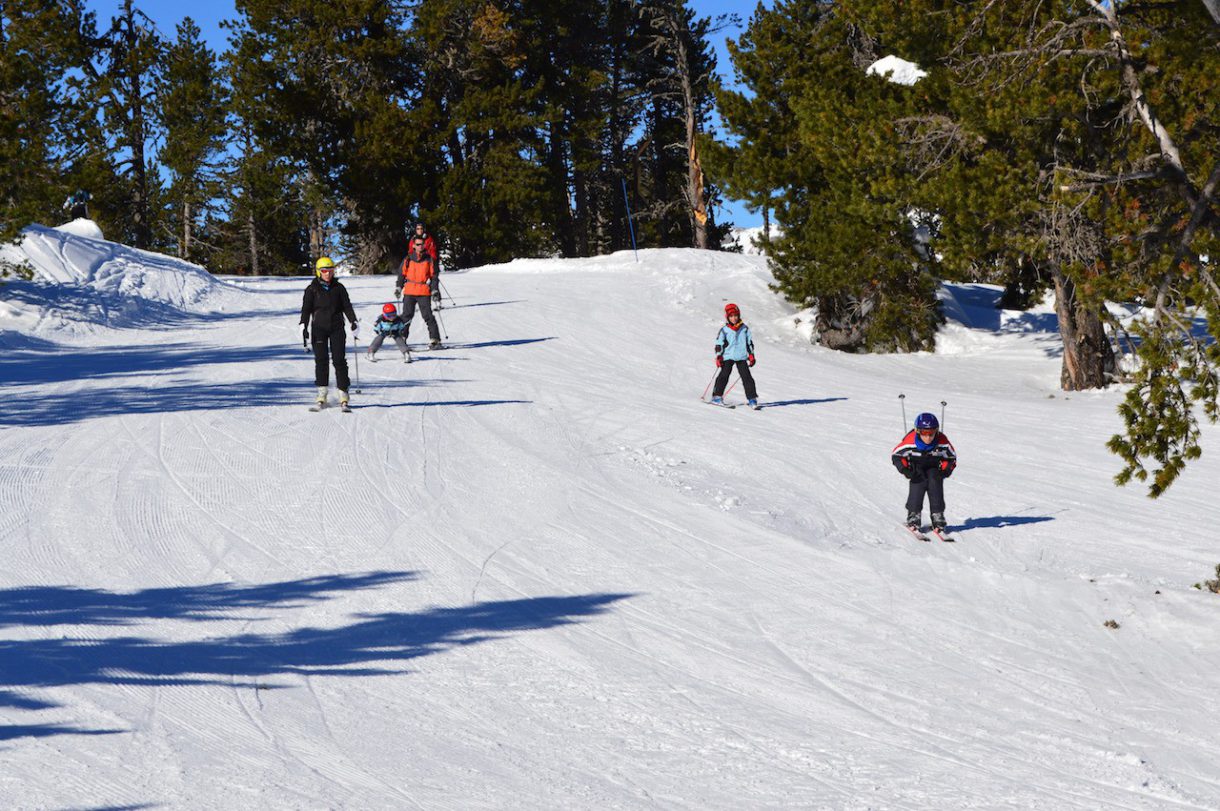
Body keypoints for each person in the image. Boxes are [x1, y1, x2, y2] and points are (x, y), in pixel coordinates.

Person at [300, 257, 358, 409]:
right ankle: (322, 393)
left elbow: (347, 306)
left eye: (330, 270)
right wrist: (303, 324)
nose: (327, 274)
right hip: (319, 328)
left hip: (337, 328)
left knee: (339, 360)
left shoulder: (339, 288)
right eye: (324, 271)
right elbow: (306, 309)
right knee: (321, 360)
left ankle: (343, 393)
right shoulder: (311, 289)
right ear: (319, 272)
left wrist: (353, 321)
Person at [891, 412, 957, 530]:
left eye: (931, 433)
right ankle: (914, 514)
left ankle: (937, 514)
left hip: (934, 466)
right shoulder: (910, 442)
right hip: (916, 465)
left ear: (936, 431)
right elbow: (896, 455)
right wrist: (905, 469)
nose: (928, 437)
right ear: (917, 431)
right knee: (919, 480)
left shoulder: (942, 442)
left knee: (934, 480)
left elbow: (951, 457)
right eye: (924, 433)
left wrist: (945, 471)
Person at [397, 235, 442, 349]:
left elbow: (434, 277)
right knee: (406, 316)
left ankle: (435, 339)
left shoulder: (429, 259)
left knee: (428, 316)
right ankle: (402, 337)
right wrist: (398, 287)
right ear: (413, 246)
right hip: (410, 291)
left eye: (422, 244)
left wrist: (435, 290)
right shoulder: (408, 259)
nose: (420, 246)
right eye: (418, 244)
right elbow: (402, 274)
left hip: (423, 291)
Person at [711, 302, 759, 408]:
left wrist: (751, 355)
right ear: (728, 317)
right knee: (724, 375)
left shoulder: (744, 329)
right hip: (727, 356)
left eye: (736, 315)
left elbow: (749, 343)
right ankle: (717, 396)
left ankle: (752, 399)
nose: (734, 318)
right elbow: (719, 344)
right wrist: (719, 356)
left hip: (741, 357)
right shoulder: (724, 330)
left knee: (747, 377)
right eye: (731, 316)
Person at [410, 221, 442, 305]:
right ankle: (415, 301)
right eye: (418, 229)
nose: (419, 230)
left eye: (421, 228)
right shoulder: (413, 239)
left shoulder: (429, 239)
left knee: (433, 280)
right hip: (417, 263)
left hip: (429, 261)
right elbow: (410, 250)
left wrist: (431, 260)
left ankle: (437, 300)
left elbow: (433, 251)